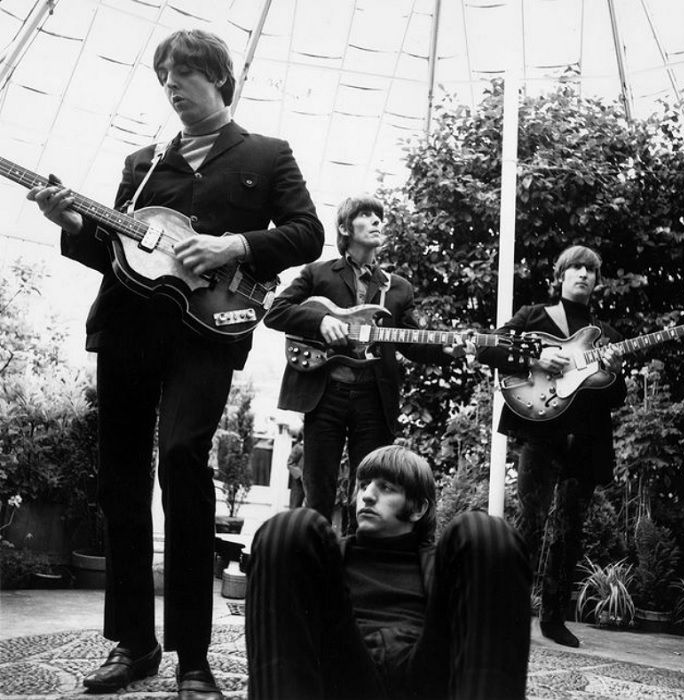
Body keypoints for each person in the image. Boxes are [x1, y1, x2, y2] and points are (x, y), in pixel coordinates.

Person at [26, 29, 323, 699]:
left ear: (218, 78)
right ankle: (133, 644)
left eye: (183, 73)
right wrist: (71, 224)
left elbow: (307, 232)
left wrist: (230, 246)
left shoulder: (268, 155)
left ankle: (194, 656)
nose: (171, 86)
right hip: (128, 328)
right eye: (163, 77)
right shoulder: (143, 162)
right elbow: (114, 249)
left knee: (183, 462)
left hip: (206, 335)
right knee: (121, 483)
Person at [245, 444, 532, 699]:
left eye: (386, 488)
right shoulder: (324, 557)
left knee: (485, 532)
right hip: (342, 673)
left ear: (418, 508)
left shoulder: (444, 566)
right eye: (364, 484)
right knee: (288, 529)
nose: (367, 496)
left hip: (425, 678)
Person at [264, 195, 465, 526]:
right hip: (325, 392)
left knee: (369, 490)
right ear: (345, 227)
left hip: (373, 397)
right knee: (318, 490)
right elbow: (275, 310)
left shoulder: (397, 288)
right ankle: (315, 564)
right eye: (366, 215)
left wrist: (447, 349)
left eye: (379, 216)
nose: (377, 221)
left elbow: (413, 342)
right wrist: (320, 322)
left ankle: (357, 566)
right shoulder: (318, 273)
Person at [477, 245, 626, 648]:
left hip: (587, 441)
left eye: (590, 270)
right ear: (560, 275)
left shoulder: (605, 336)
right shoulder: (534, 317)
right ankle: (507, 612)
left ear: (597, 281)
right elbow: (487, 346)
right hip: (541, 433)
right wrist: (536, 360)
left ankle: (554, 618)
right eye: (575, 267)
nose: (583, 274)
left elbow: (617, 398)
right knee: (530, 523)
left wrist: (613, 372)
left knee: (570, 531)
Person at [286, 430, 305, 508]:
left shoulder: (314, 448)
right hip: (299, 482)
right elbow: (290, 463)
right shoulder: (298, 447)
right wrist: (300, 475)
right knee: (296, 504)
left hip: (311, 482)